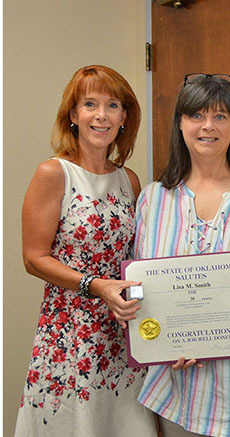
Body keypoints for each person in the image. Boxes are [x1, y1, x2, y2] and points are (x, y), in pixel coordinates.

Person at [134, 73, 230, 437]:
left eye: (220, 116)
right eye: (196, 115)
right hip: (179, 380)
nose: (208, 126)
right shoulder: (153, 198)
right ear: (180, 123)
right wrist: (157, 342)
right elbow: (140, 286)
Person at [15, 65, 157, 436]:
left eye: (113, 105)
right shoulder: (53, 172)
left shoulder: (129, 180)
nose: (101, 115)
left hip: (121, 331)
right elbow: (33, 258)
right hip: (70, 333)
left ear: (125, 117)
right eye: (90, 104)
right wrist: (96, 286)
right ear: (73, 115)